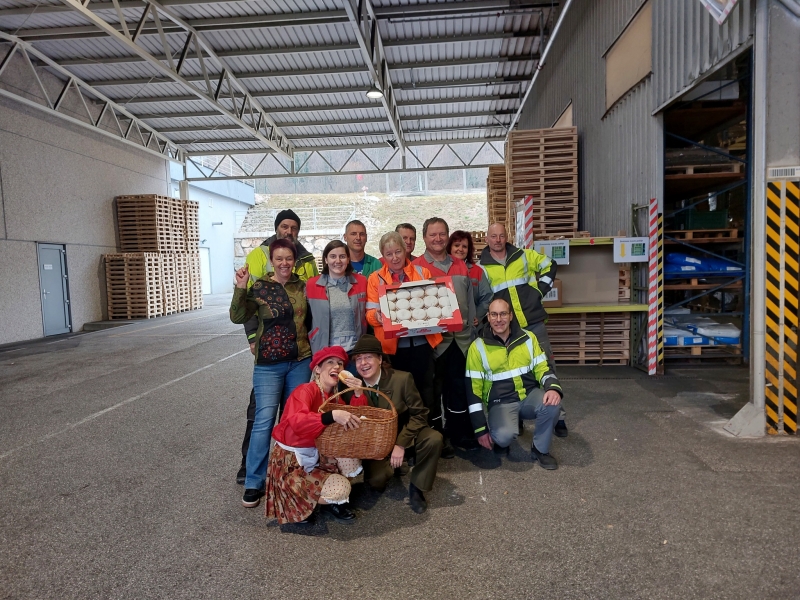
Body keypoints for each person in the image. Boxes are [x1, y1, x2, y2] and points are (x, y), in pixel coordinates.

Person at [236, 209, 318, 485]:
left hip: (299, 360)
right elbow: (239, 315)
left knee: (295, 419)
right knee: (263, 420)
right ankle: (253, 479)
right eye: (279, 259)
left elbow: (312, 316)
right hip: (269, 364)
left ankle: (288, 476)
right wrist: (240, 289)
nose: (284, 263)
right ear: (271, 260)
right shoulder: (259, 281)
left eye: (289, 258)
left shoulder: (303, 281)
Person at [479, 222, 568, 437]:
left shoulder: (523, 255)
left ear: (507, 236)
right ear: (487, 239)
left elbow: (549, 264)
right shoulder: (482, 267)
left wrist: (539, 290)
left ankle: (559, 416)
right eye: (493, 236)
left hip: (533, 322)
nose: (498, 240)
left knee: (547, 366)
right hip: (507, 329)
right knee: (512, 371)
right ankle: (516, 415)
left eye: (501, 235)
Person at [265, 346, 367, 524]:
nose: (337, 366)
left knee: (350, 458)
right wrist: (330, 416)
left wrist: (359, 393)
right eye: (330, 362)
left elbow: (354, 422)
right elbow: (297, 421)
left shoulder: (335, 396)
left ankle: (329, 501)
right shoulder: (305, 390)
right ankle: (298, 502)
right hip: (292, 459)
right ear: (317, 369)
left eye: (340, 363)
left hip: (318, 451)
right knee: (341, 489)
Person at [348, 334, 443, 514]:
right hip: (375, 444)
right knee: (376, 482)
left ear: (380, 359)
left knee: (433, 439)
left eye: (368, 357)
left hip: (402, 433)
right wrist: (359, 394)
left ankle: (417, 488)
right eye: (358, 359)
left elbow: (420, 414)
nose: (363, 363)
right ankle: (394, 466)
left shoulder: (402, 379)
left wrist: (401, 444)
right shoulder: (349, 387)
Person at [466, 298, 564, 469]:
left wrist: (553, 388)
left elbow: (543, 367)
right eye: (494, 314)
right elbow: (473, 390)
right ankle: (503, 437)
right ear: (488, 317)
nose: (499, 319)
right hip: (501, 402)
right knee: (503, 436)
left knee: (552, 405)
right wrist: (480, 429)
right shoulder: (477, 347)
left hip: (528, 395)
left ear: (511, 316)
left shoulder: (528, 338)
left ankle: (540, 449)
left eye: (503, 314)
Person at [413, 218, 478, 455]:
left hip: (461, 340)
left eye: (442, 234)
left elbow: (469, 303)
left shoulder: (460, 264)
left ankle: (458, 432)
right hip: (434, 342)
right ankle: (436, 437)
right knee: (433, 391)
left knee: (458, 388)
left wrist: (471, 332)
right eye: (433, 235)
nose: (438, 239)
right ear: (424, 238)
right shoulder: (417, 267)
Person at [366, 231, 441, 424]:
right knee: (399, 394)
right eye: (389, 254)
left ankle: (431, 432)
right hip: (393, 349)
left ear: (405, 250)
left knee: (426, 389)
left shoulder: (422, 273)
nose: (394, 257)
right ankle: (404, 436)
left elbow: (433, 305)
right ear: (383, 255)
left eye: (398, 251)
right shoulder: (375, 279)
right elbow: (369, 314)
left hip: (422, 344)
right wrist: (378, 317)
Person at [306, 240, 368, 353]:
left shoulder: (362, 282)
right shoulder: (311, 285)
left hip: (356, 349)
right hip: (325, 349)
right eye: (333, 256)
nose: (338, 261)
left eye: (342, 256)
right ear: (326, 259)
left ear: (348, 259)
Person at [447, 230, 493, 323]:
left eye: (464, 246)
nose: (460, 249)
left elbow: (487, 298)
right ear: (450, 247)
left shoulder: (477, 271)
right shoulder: (443, 270)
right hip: (447, 323)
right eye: (456, 245)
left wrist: (478, 315)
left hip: (470, 324)